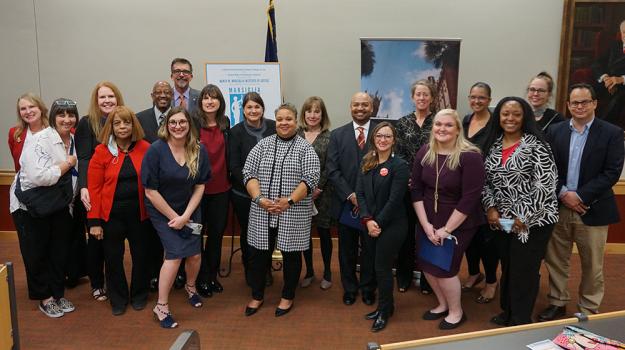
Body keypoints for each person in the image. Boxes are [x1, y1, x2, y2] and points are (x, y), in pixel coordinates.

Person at [539, 83, 625, 321]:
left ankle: (588, 308)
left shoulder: (611, 133)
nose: (579, 106)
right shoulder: (555, 131)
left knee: (592, 265)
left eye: (585, 101)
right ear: (567, 105)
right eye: (574, 102)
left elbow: (611, 172)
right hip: (559, 206)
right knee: (556, 259)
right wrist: (564, 193)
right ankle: (557, 301)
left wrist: (580, 196)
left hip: (593, 208)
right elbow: (546, 168)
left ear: (595, 103)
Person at [481, 97, 559, 326]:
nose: (510, 118)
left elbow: (545, 185)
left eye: (516, 114)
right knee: (508, 265)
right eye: (505, 114)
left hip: (534, 221)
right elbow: (485, 182)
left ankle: (520, 318)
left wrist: (522, 217)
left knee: (524, 269)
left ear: (525, 117)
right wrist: (490, 207)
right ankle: (507, 311)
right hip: (502, 220)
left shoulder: (537, 145)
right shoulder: (492, 145)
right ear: (498, 117)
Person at [242, 103, 320, 317]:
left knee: (292, 256)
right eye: (280, 119)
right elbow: (248, 173)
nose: (284, 123)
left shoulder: (306, 148)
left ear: (296, 121)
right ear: (274, 121)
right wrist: (259, 199)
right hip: (262, 210)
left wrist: (289, 201)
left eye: (288, 119)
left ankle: (287, 296)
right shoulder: (262, 145)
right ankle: (257, 296)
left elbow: (311, 178)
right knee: (258, 256)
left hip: (292, 212)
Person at [411, 109, 484, 330]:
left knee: (445, 268)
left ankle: (456, 311)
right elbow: (415, 189)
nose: (442, 129)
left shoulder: (470, 156)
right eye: (438, 124)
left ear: (458, 129)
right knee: (426, 263)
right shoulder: (425, 151)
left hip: (457, 221)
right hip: (427, 219)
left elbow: (470, 198)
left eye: (448, 125)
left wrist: (445, 230)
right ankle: (442, 304)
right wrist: (426, 225)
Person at [142, 107, 211, 328]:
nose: (177, 126)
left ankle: (191, 287)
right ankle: (161, 306)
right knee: (174, 256)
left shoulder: (199, 150)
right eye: (173, 122)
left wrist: (187, 215)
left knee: (195, 256)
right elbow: (150, 191)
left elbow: (200, 186)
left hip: (190, 208)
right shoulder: (155, 150)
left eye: (182, 122)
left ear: (189, 125)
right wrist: (176, 218)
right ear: (166, 125)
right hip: (162, 210)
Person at [10, 98, 79, 318]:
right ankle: (45, 298)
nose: (66, 120)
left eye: (71, 115)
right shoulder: (40, 140)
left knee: (58, 252)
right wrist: (67, 164)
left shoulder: (74, 140)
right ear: (52, 117)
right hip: (30, 206)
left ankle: (57, 294)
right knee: (36, 254)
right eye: (61, 115)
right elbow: (40, 176)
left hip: (58, 205)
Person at [87, 106, 151, 316]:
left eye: (126, 122)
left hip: (140, 215)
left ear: (134, 125)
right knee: (113, 258)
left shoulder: (145, 148)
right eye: (117, 123)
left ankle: (140, 294)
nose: (123, 127)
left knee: (142, 256)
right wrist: (94, 222)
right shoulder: (101, 151)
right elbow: (94, 189)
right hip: (111, 216)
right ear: (111, 127)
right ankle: (118, 298)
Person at [356, 122, 410, 332]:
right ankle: (388, 306)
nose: (383, 140)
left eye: (387, 136)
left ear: (394, 140)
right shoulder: (367, 161)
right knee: (375, 266)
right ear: (374, 138)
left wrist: (377, 223)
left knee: (383, 268)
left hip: (392, 225)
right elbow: (360, 193)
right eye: (379, 136)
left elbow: (395, 200)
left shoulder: (400, 166)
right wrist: (368, 220)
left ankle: (384, 311)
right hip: (370, 224)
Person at [327, 92, 378, 306]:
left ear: (372, 108)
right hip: (345, 204)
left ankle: (367, 288)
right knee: (346, 250)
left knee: (370, 249)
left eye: (364, 105)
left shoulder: (381, 134)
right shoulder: (337, 135)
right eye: (356, 105)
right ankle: (349, 288)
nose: (360, 108)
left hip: (374, 204)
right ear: (350, 107)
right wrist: (350, 194)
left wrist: (366, 197)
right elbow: (332, 169)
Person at [76, 81, 125, 302]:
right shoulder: (87, 124)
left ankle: (113, 281)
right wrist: (85, 186)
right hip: (94, 191)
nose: (107, 101)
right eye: (102, 97)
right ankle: (97, 283)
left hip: (116, 193)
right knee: (96, 239)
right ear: (96, 102)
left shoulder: (123, 120)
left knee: (112, 243)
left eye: (111, 97)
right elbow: (84, 158)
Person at [228, 92, 276, 284]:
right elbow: (234, 166)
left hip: (272, 193)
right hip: (244, 194)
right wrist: (252, 186)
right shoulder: (236, 132)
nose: (253, 110)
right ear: (243, 110)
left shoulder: (274, 127)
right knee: (249, 232)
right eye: (249, 107)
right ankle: (251, 269)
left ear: (263, 108)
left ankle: (265, 269)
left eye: (257, 106)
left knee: (270, 232)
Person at [395, 79, 437, 294]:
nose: (421, 98)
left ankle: (428, 280)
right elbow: (398, 154)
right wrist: (410, 178)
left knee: (428, 232)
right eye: (418, 94)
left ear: (431, 97)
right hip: (406, 187)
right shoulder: (401, 123)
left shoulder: (438, 122)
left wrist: (422, 179)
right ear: (412, 97)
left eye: (425, 94)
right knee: (405, 233)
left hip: (431, 187)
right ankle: (404, 275)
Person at [461, 82, 499, 304]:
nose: (476, 101)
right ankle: (475, 273)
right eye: (473, 97)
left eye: (481, 98)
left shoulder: (496, 125)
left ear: (489, 100)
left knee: (487, 240)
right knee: (469, 237)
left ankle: (492, 281)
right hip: (465, 188)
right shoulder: (465, 121)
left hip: (488, 190)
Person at [192, 84, 231, 297]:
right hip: (198, 191)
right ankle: (199, 278)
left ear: (220, 102)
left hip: (221, 189)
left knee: (216, 236)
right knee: (197, 236)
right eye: (206, 98)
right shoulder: (193, 125)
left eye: (214, 98)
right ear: (201, 102)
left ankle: (211, 276)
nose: (210, 101)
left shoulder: (226, 124)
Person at [136, 81, 173, 292]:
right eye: (158, 92)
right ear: (152, 95)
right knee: (152, 234)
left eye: (167, 92)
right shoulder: (140, 119)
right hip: (150, 185)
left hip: (175, 185)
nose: (162, 95)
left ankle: (177, 274)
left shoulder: (180, 117)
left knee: (175, 231)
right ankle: (153, 274)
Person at [298, 96, 334, 290]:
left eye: (317, 111)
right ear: (304, 113)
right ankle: (309, 271)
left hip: (323, 194)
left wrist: (317, 188)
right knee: (304, 235)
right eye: (309, 111)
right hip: (299, 194)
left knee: (324, 233)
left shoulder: (330, 137)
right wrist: (303, 190)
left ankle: (327, 271)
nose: (313, 115)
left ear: (322, 114)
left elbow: (330, 166)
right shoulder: (296, 134)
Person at [591, 20, 625, 125]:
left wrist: (621, 79)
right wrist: (606, 78)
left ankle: (601, 128)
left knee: (619, 97)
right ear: (621, 33)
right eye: (624, 32)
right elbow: (597, 64)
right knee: (586, 92)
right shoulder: (614, 46)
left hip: (623, 87)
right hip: (606, 84)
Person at [8, 93, 49, 171]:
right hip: (24, 181)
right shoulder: (14, 133)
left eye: (32, 106)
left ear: (41, 108)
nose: (28, 111)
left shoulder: (54, 130)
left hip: (52, 181)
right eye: (23, 109)